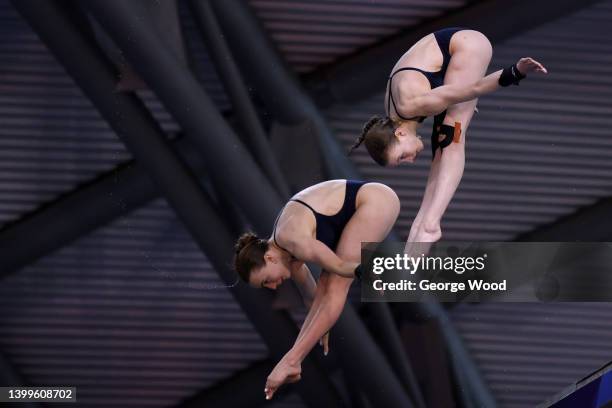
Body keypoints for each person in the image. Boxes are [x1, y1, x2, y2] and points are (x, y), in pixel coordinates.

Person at [350, 28, 547, 247]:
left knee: (451, 135)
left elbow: (476, 87)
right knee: (442, 139)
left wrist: (517, 71)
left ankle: (430, 223)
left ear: (400, 133)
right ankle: (419, 226)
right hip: (440, 61)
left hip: (467, 44)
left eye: (402, 157)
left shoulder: (414, 104)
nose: (411, 160)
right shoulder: (394, 114)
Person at [233, 179, 400, 400]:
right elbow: (312, 297)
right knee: (326, 286)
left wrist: (293, 358)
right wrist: (320, 327)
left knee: (335, 285)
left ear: (269, 257)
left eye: (266, 281)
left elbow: (340, 269)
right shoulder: (288, 256)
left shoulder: (293, 240)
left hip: (376, 200)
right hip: (362, 205)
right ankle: (292, 360)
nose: (273, 287)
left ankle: (290, 362)